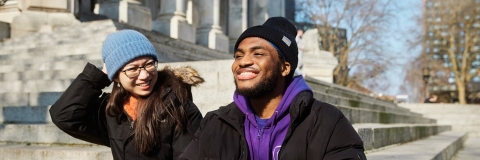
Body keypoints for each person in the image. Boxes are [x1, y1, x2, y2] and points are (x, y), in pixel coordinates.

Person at [180, 17, 366, 160]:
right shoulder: (215, 123)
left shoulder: (327, 122)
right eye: (238, 55)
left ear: (285, 67)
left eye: (258, 53)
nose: (243, 62)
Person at [50, 30, 204, 159]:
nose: (144, 75)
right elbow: (64, 116)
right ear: (116, 76)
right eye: (132, 69)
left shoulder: (180, 107)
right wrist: (100, 76)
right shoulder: (112, 110)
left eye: (149, 64)